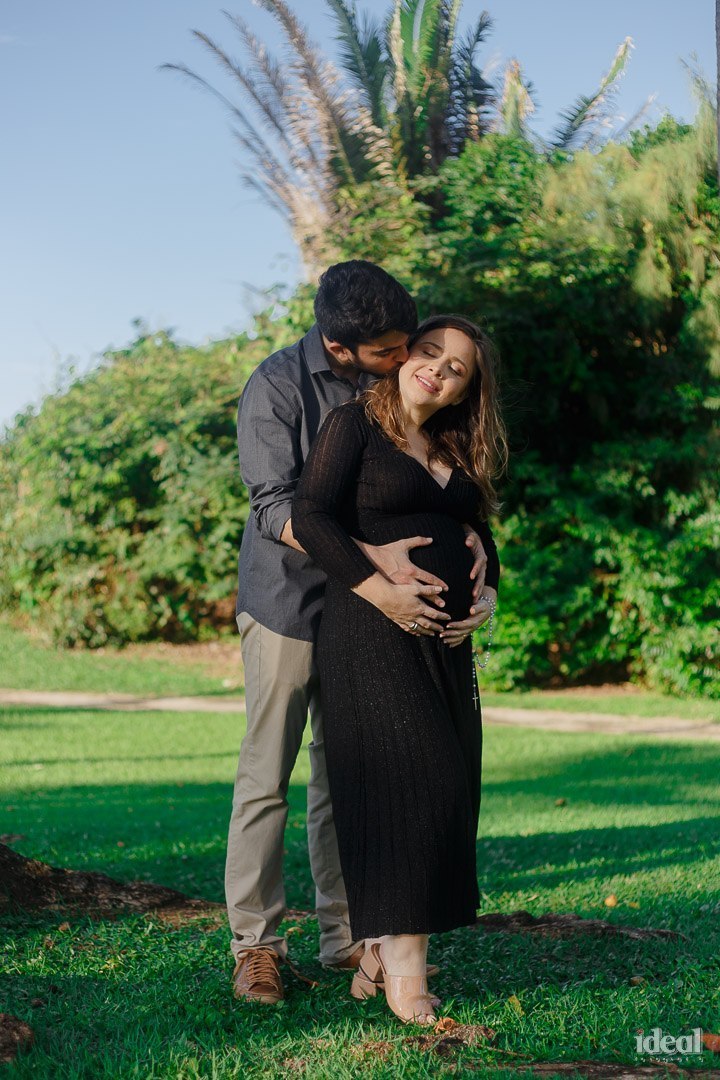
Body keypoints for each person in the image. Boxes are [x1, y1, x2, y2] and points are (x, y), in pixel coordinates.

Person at [226, 264, 493, 1005]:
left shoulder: (407, 385)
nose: (408, 356)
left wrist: (468, 544)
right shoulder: (277, 386)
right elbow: (275, 505)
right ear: (343, 350)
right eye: (390, 349)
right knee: (266, 775)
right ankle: (257, 944)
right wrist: (368, 558)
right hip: (289, 601)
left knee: (347, 775)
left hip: (369, 621)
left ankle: (350, 936)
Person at [291, 314, 507, 1024]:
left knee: (451, 790)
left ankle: (382, 953)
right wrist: (378, 587)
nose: (439, 370)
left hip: (445, 647)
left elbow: (476, 531)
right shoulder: (354, 426)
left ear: (466, 390)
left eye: (458, 368)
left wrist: (490, 590)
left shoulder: (450, 442)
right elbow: (311, 515)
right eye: (430, 352)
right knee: (420, 787)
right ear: (404, 355)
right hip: (371, 636)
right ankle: (406, 981)